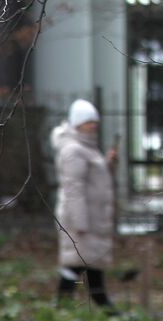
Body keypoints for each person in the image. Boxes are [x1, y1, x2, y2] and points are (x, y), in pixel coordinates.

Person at [51, 98, 117, 307]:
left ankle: (99, 309)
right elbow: (73, 188)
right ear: (77, 123)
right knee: (76, 266)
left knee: (88, 266)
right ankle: (69, 309)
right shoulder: (73, 150)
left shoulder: (87, 147)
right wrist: (80, 223)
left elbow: (94, 180)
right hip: (81, 221)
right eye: (88, 122)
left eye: (95, 122)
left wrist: (108, 163)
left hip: (91, 219)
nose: (93, 126)